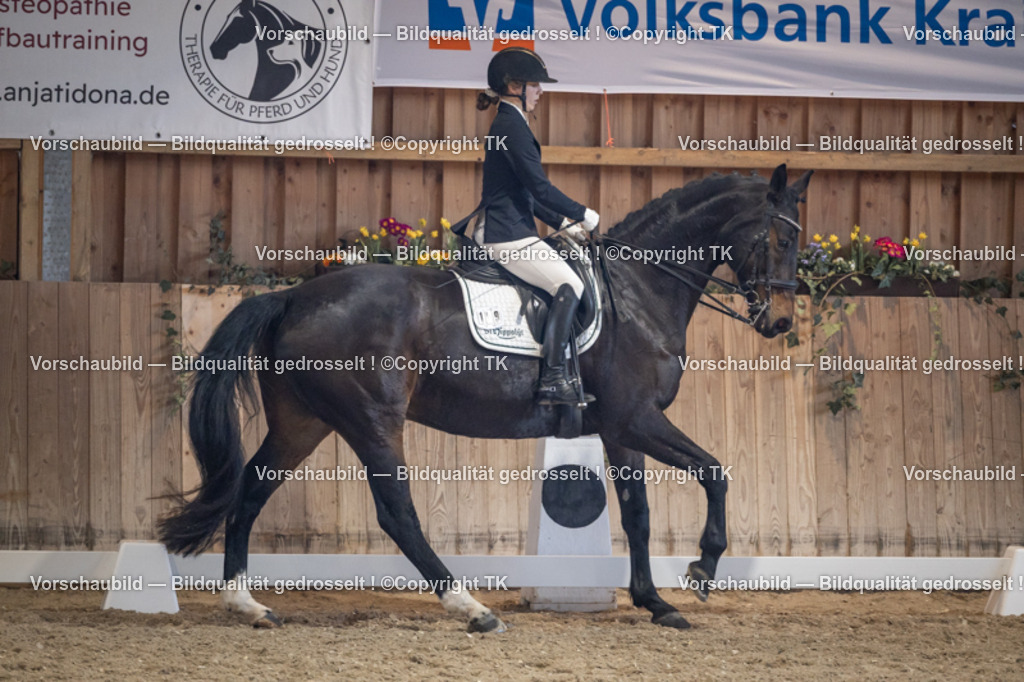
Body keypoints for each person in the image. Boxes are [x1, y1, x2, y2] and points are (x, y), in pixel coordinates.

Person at [474, 46, 600, 406]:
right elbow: (539, 186)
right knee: (570, 283)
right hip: (506, 234)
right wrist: (583, 213)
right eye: (536, 85)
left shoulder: (511, 122)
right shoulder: (510, 125)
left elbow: (526, 193)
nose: (541, 92)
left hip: (512, 226)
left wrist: (563, 222)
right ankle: (553, 378)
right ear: (514, 86)